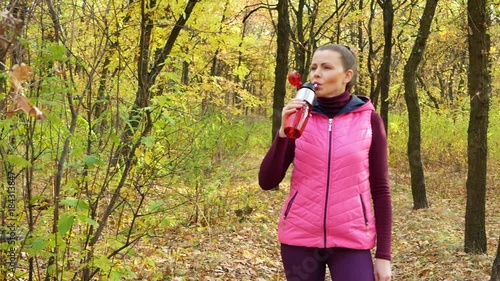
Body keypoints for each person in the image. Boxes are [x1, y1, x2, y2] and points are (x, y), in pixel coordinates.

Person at [258, 43, 392, 281]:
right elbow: (267, 181)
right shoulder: (300, 119)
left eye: (326, 67)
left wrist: (384, 255)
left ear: (347, 76)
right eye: (313, 67)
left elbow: (381, 190)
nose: (316, 74)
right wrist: (281, 132)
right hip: (300, 239)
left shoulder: (370, 120)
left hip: (352, 239)